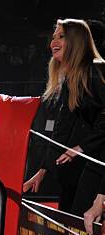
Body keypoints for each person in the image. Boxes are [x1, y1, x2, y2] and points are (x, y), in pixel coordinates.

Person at [23, 19, 105, 218]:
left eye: (61, 37)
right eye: (53, 37)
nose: (53, 43)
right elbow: (63, 126)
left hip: (99, 156)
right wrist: (43, 169)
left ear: (77, 43)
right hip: (97, 153)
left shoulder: (97, 72)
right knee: (71, 212)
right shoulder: (72, 79)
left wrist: (81, 147)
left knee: (80, 215)